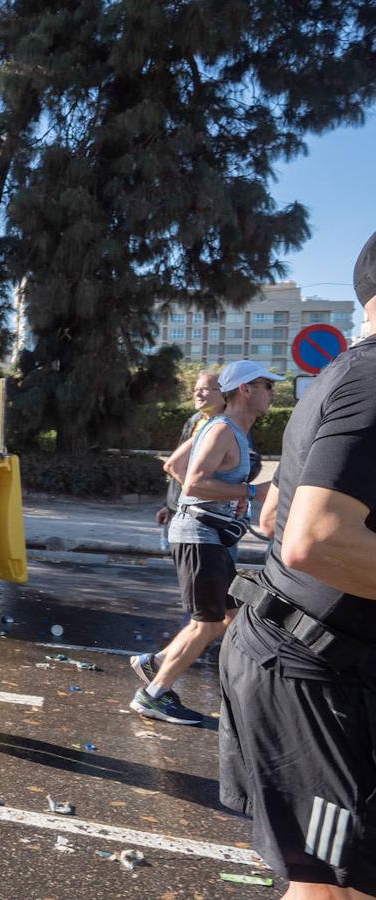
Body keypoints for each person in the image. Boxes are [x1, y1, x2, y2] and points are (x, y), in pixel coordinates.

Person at [218, 233, 376, 898]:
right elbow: (312, 538)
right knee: (329, 891)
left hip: (324, 664)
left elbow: (279, 511)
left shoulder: (345, 378)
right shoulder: (370, 378)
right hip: (306, 673)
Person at [129, 359, 280, 725]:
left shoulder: (224, 428)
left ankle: (157, 662)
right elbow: (194, 482)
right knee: (208, 623)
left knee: (229, 616)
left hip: (209, 534)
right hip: (199, 536)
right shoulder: (223, 431)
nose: (273, 394)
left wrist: (229, 496)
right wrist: (247, 491)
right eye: (267, 386)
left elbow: (176, 467)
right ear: (245, 389)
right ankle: (153, 695)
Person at [156, 371, 225, 546]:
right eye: (195, 390)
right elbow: (177, 465)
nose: (198, 394)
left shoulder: (230, 425)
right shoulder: (194, 421)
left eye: (204, 389)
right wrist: (168, 504)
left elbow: (250, 464)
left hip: (208, 516)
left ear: (223, 392)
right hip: (179, 510)